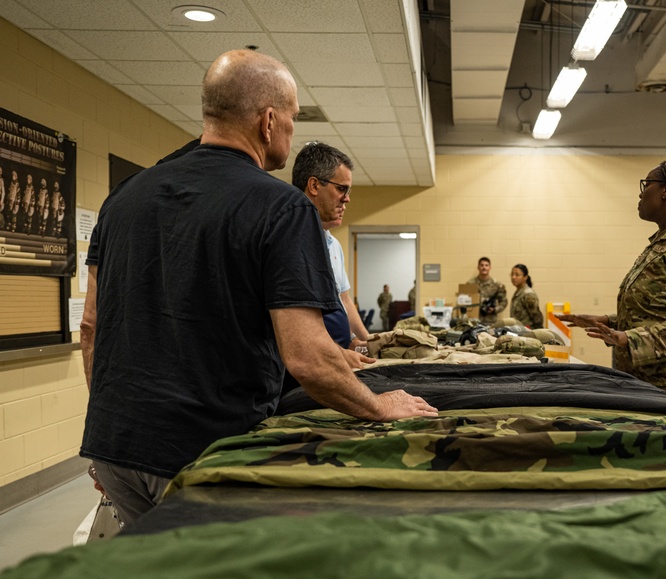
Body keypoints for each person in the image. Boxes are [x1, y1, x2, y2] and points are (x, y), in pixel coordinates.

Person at [79, 49, 436, 528]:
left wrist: (103, 438)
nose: (291, 128)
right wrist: (378, 406)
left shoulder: (121, 199)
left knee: (160, 577)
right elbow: (307, 357)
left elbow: (91, 328)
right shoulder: (281, 208)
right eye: (291, 117)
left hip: (117, 450)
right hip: (202, 454)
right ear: (269, 122)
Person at [557, 159, 666, 417]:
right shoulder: (665, 243)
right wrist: (606, 321)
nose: (641, 192)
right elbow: (654, 313)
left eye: (646, 184)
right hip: (652, 379)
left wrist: (628, 338)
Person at [291, 142, 370, 349]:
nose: (347, 199)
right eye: (341, 189)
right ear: (314, 185)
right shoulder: (289, 241)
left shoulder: (332, 244)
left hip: (335, 353)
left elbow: (343, 300)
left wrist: (367, 343)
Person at [467, 256, 507, 326]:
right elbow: (465, 302)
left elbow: (503, 301)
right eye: (482, 265)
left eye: (486, 265)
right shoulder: (470, 284)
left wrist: (495, 309)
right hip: (474, 321)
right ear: (478, 267)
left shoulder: (496, 284)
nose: (484, 267)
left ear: (490, 268)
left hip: (490, 321)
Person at [509, 264, 544, 329]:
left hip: (528, 333)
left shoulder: (528, 294)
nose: (513, 277)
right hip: (519, 331)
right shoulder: (518, 292)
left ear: (525, 277)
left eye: (517, 275)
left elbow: (536, 317)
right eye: (512, 274)